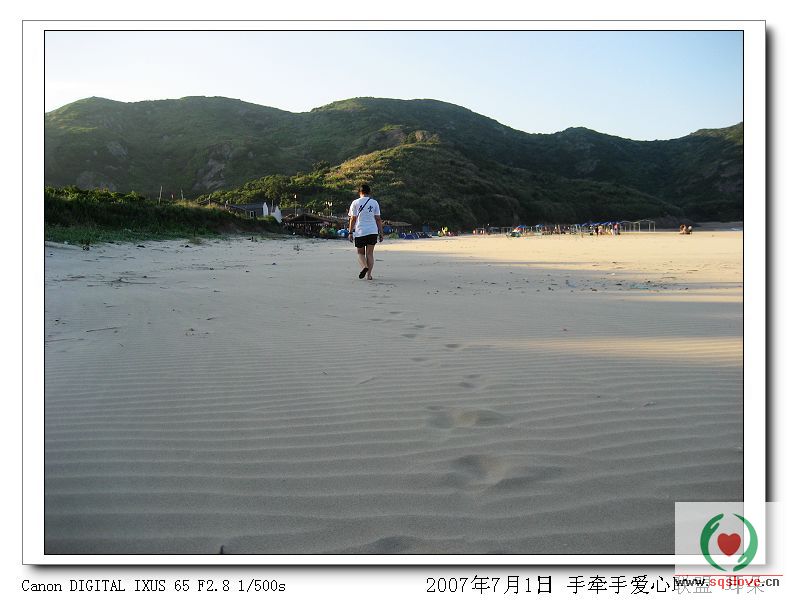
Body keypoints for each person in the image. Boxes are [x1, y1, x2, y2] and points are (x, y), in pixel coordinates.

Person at [347, 183, 383, 280]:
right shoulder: (374, 203)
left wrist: (350, 232)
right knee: (370, 254)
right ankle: (369, 275)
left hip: (360, 231)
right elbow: (378, 219)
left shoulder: (355, 202)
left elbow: (353, 219)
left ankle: (364, 267)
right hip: (372, 231)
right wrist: (381, 233)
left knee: (360, 253)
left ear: (360, 192)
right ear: (369, 192)